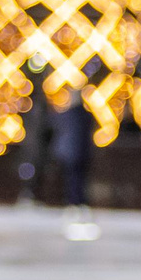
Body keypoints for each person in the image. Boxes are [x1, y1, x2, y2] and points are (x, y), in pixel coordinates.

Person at [48, 93, 98, 240]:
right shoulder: (87, 116)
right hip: (83, 153)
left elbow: (55, 126)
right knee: (80, 179)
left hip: (69, 154)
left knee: (72, 180)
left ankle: (73, 204)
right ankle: (79, 203)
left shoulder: (66, 115)